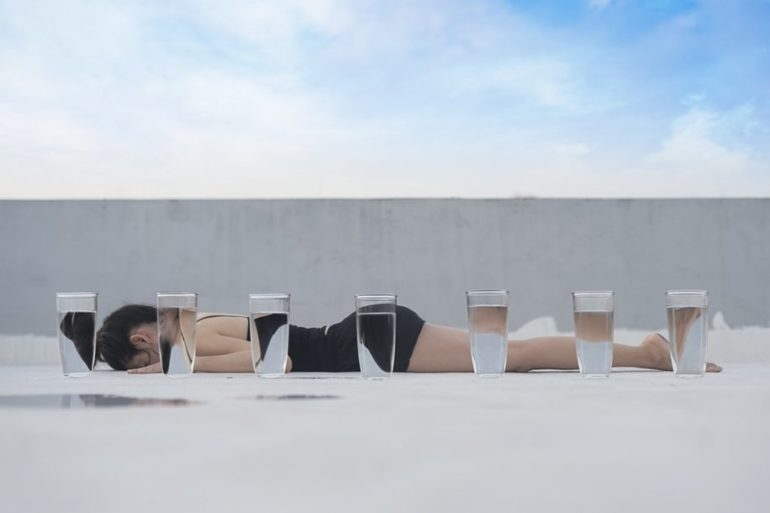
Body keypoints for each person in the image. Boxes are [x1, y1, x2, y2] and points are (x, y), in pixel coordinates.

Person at [61, 304, 722, 374]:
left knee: (513, 358)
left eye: (137, 358)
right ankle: (644, 351)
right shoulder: (204, 324)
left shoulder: (197, 336)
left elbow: (275, 362)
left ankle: (647, 353)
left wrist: (175, 370)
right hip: (366, 336)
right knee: (510, 358)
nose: (144, 366)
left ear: (145, 335)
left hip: (368, 342)